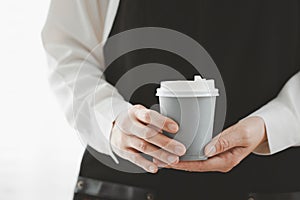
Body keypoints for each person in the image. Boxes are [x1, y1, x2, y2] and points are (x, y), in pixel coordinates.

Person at [42, 0, 300, 199]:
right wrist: (111, 119)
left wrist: (274, 124)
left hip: (271, 183)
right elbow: (68, 50)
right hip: (123, 186)